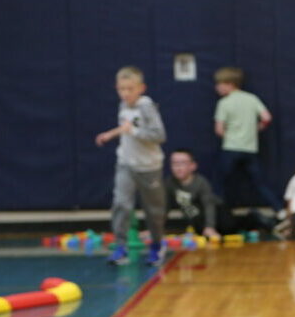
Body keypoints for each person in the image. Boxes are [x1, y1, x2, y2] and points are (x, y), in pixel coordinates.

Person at [95, 66, 168, 266]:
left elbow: (159, 135)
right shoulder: (123, 105)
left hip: (149, 167)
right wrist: (111, 134)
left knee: (153, 210)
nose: (125, 93)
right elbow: (125, 126)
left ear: (141, 88)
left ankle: (157, 244)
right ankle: (121, 246)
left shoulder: (146, 106)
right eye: (121, 89)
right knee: (121, 203)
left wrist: (134, 131)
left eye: (130, 89)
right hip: (126, 163)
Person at [213, 66, 282, 215]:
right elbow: (267, 118)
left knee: (221, 184)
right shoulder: (251, 99)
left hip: (230, 148)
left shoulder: (224, 103)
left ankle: (219, 214)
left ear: (230, 84)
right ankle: (279, 210)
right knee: (260, 183)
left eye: (220, 84)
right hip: (250, 148)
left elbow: (219, 130)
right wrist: (257, 128)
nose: (217, 88)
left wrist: (230, 135)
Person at [165, 149, 234, 238]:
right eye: (174, 163)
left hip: (216, 213)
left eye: (182, 163)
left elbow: (209, 206)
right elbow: (164, 207)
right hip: (196, 216)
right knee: (194, 218)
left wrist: (210, 227)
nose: (178, 167)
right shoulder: (169, 183)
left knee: (228, 226)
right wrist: (155, 229)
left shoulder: (201, 182)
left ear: (193, 166)